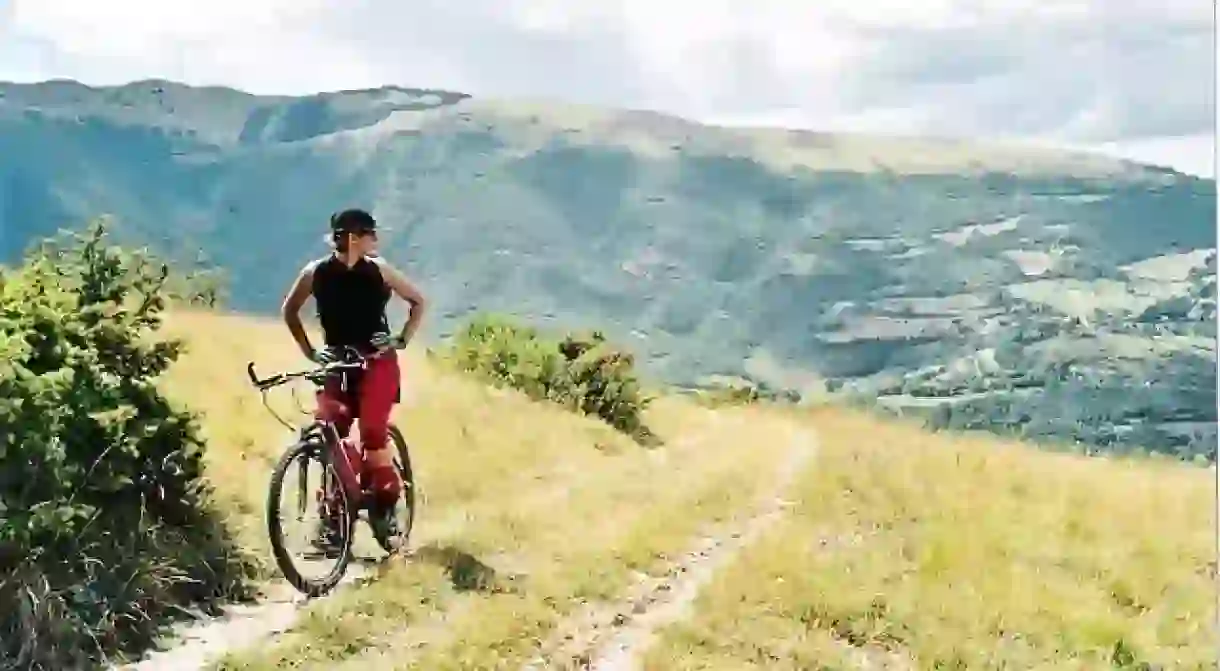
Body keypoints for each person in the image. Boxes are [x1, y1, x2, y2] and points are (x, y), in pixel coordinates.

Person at [280, 208, 427, 552]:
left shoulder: (379, 270)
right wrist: (311, 353)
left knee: (374, 431)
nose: (376, 240)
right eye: (371, 234)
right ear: (354, 238)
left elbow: (418, 302)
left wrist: (400, 340)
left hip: (377, 362)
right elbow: (290, 311)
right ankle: (333, 516)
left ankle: (386, 506)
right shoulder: (315, 273)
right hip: (339, 361)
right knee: (330, 430)